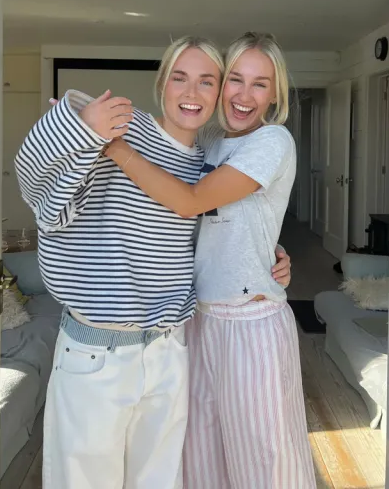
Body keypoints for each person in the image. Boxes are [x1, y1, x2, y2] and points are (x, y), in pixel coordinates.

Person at [15, 35, 291, 489]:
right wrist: (81, 125)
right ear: (162, 83)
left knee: (161, 480)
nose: (191, 92)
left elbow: (210, 224)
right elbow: (36, 181)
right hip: (96, 350)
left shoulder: (207, 158)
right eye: (180, 78)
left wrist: (272, 256)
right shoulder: (124, 128)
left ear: (217, 93)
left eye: (207, 81)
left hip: (169, 349)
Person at [105, 32, 316, 489]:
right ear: (221, 86)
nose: (244, 95)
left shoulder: (273, 140)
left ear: (275, 94)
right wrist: (273, 248)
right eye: (235, 79)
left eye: (260, 84)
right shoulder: (211, 145)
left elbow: (192, 202)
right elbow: (211, 227)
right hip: (198, 320)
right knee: (201, 457)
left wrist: (117, 149)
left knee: (265, 463)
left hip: (250, 323)